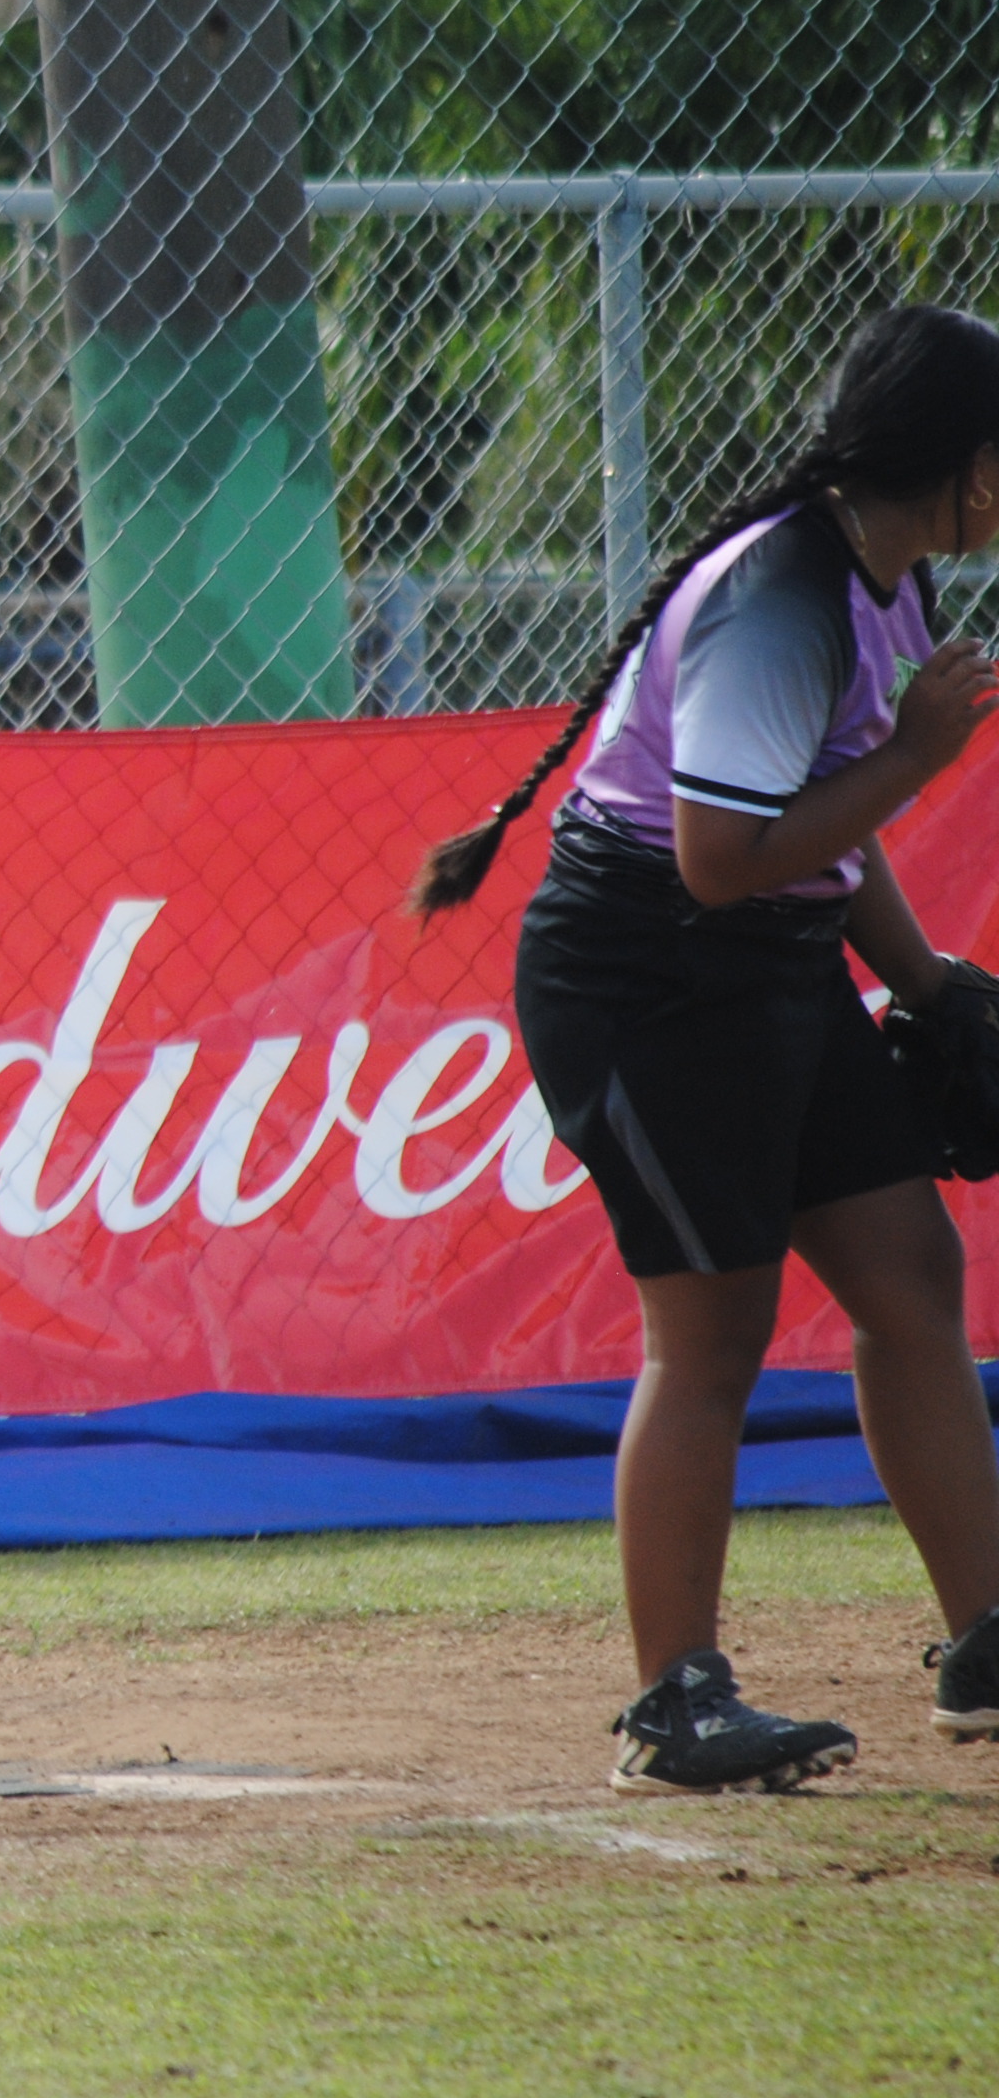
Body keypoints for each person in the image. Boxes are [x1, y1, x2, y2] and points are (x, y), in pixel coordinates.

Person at [418, 302, 999, 1794]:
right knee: (714, 1334)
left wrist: (927, 985)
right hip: (650, 977)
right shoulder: (789, 593)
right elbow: (718, 859)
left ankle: (988, 1639)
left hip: (774, 965)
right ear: (962, 465)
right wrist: (918, 760)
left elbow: (825, 831)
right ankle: (674, 1703)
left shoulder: (890, 581)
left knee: (910, 1276)